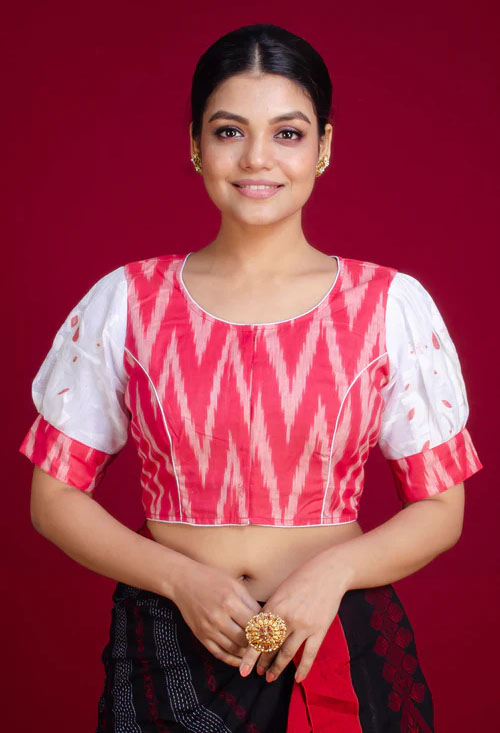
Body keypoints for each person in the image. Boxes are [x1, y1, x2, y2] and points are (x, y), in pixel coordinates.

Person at [19, 22, 483, 733]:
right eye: (230, 130)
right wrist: (180, 579)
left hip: (332, 642)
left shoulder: (390, 305)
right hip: (167, 647)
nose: (257, 157)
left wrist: (329, 575)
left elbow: (441, 510)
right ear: (195, 143)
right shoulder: (127, 301)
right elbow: (52, 498)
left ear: (324, 147)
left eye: (288, 133)